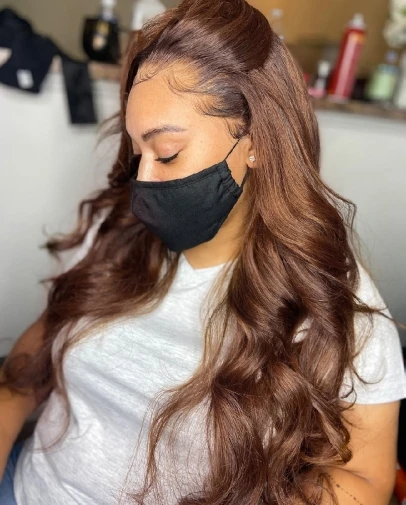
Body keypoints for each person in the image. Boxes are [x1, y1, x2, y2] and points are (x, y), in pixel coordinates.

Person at [1, 0, 406, 504]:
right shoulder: (116, 232)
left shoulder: (333, 301)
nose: (143, 182)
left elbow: (366, 479)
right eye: (138, 152)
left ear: (257, 139)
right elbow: (33, 358)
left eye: (167, 153)